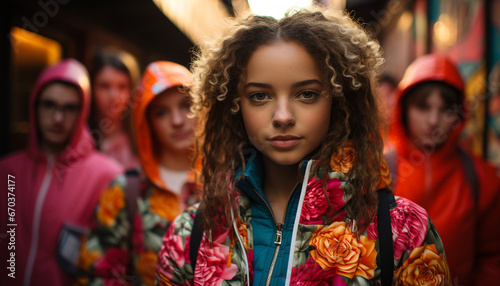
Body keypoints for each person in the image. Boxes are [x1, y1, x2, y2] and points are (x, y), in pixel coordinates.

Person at [155, 8, 451, 285]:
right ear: (234, 105)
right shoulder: (191, 234)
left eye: (306, 94)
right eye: (260, 96)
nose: (283, 116)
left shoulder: (402, 232)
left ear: (339, 100)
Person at [0, 59, 124, 286]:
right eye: (49, 105)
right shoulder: (7, 171)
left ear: (83, 111)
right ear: (34, 105)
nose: (58, 118)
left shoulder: (108, 176)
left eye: (69, 108)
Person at [76, 61, 200, 286]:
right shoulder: (125, 189)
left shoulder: (230, 183)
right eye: (161, 112)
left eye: (186, 104)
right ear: (146, 122)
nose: (177, 120)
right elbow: (96, 272)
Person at [387, 53, 500, 285]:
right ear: (404, 109)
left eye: (446, 109)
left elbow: (492, 258)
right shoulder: (378, 170)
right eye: (423, 106)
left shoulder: (482, 178)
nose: (433, 120)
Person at [89, 52, 140, 170]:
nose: (113, 95)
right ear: (91, 88)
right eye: (104, 86)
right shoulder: (79, 141)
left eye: (122, 87)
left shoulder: (141, 143)